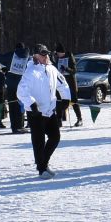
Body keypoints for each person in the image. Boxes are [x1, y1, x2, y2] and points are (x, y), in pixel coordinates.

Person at [16, 44, 70, 176]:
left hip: (49, 110)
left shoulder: (52, 69)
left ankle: (43, 163)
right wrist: (32, 104)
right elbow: (21, 91)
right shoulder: (30, 72)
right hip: (36, 112)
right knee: (38, 141)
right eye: (42, 54)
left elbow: (63, 84)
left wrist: (65, 98)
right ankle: (41, 169)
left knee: (55, 137)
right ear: (35, 56)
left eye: (46, 54)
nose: (46, 56)